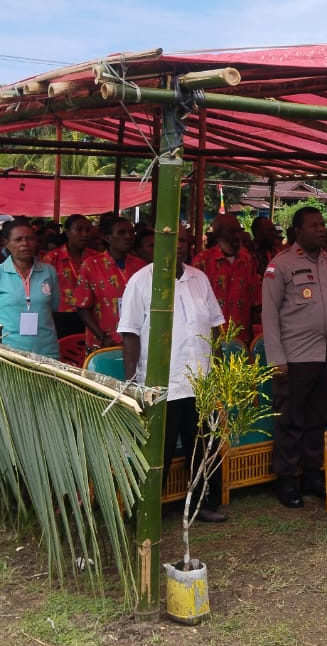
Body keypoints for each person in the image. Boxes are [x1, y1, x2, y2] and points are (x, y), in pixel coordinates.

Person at [119, 253, 229, 523]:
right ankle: (145, 511)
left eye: (182, 241)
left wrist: (219, 368)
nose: (177, 246)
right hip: (162, 384)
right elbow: (130, 333)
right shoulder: (140, 281)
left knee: (205, 445)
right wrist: (133, 381)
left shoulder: (199, 278)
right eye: (173, 240)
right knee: (159, 453)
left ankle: (203, 504)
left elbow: (215, 325)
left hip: (201, 380)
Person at [261, 207, 327, 508]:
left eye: (322, 224)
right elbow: (269, 316)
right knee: (290, 420)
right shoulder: (281, 266)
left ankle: (312, 474)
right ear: (297, 231)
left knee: (318, 417)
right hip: (295, 357)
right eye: (313, 225)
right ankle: (286, 479)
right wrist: (276, 358)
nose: (320, 229)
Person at [0, 220, 61, 358]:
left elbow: (52, 310)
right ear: (6, 243)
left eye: (29, 238)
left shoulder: (49, 272)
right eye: (18, 239)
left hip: (47, 352)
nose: (25, 243)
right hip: (8, 353)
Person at [75, 215, 145, 349]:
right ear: (107, 238)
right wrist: (103, 337)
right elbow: (82, 306)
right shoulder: (91, 265)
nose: (128, 236)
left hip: (135, 339)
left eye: (131, 232)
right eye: (121, 233)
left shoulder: (140, 265)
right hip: (103, 341)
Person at [194, 213, 259, 346]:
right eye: (231, 231)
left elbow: (255, 301)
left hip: (241, 341)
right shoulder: (203, 261)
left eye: (238, 231)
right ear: (218, 235)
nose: (236, 236)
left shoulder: (248, 260)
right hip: (209, 341)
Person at [44, 214, 96, 338]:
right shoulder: (52, 258)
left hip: (91, 316)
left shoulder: (96, 258)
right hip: (61, 317)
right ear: (67, 232)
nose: (84, 234)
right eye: (79, 230)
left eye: (88, 230)